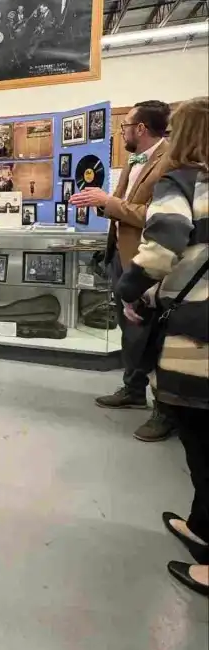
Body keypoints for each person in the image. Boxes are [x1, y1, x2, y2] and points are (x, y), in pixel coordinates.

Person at [117, 97, 209, 597]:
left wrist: (131, 292)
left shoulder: (183, 182)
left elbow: (162, 247)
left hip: (197, 333)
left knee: (202, 440)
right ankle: (201, 525)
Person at [71, 100, 173, 441]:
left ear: (140, 128)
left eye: (125, 125)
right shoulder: (134, 160)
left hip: (148, 260)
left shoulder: (169, 161)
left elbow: (156, 217)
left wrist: (108, 202)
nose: (123, 131)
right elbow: (120, 206)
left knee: (153, 334)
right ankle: (132, 389)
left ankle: (165, 410)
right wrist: (100, 203)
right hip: (120, 256)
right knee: (129, 329)